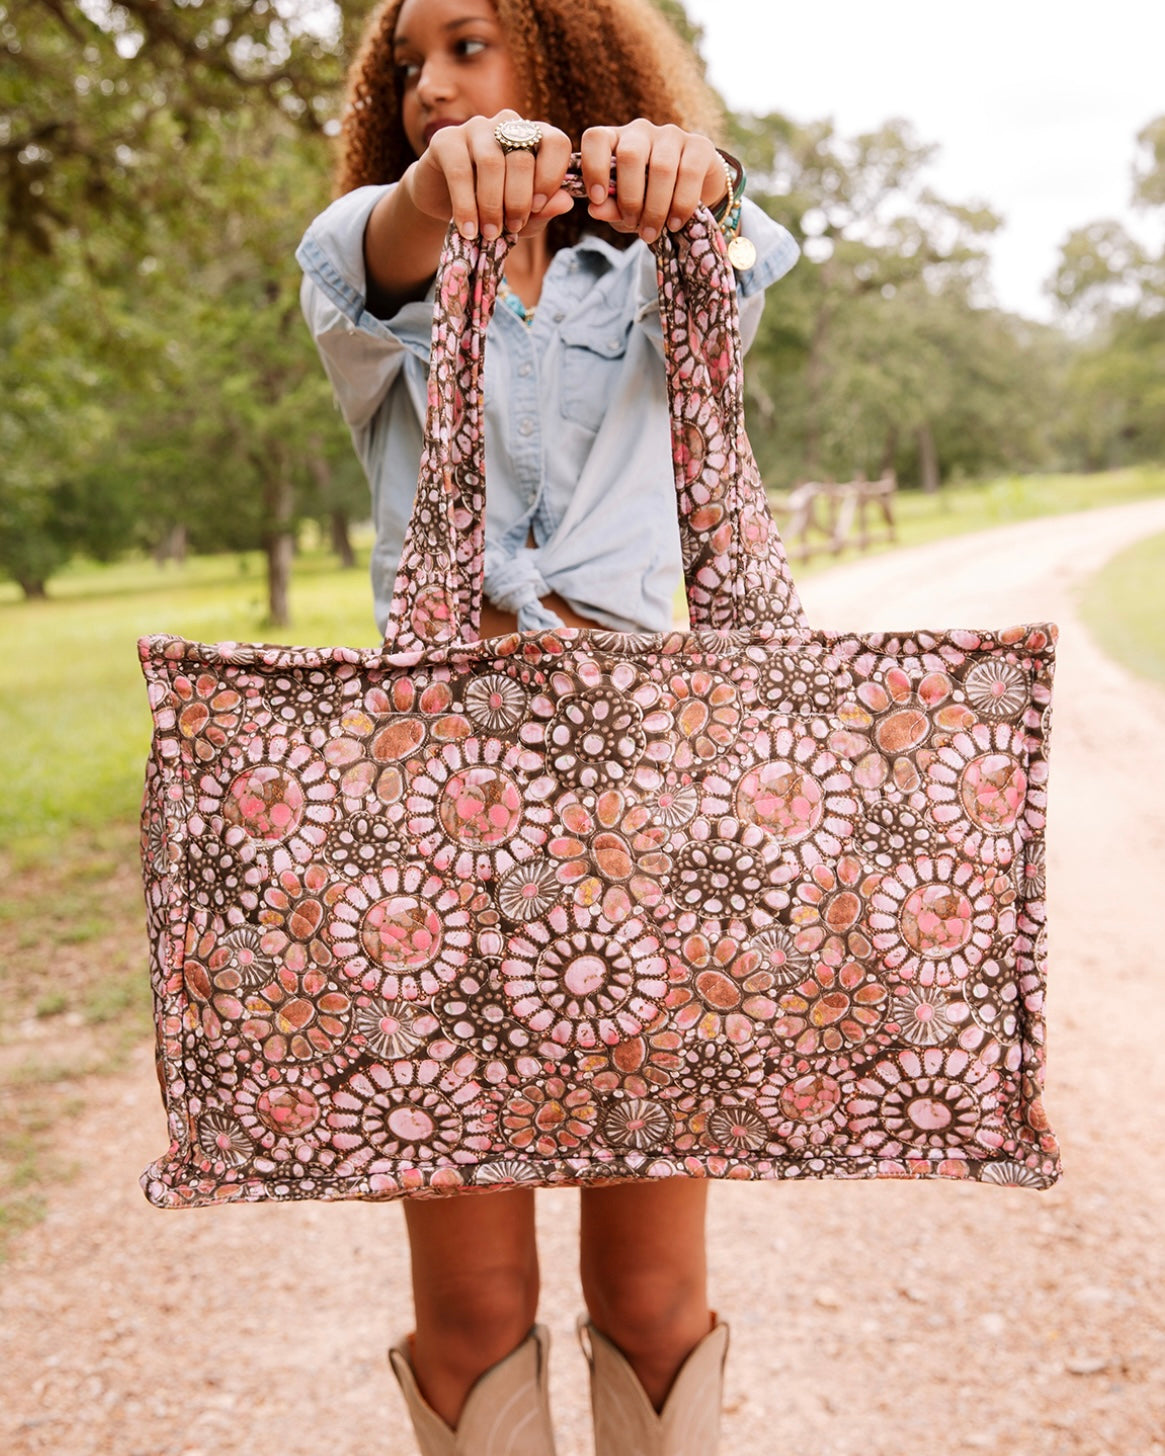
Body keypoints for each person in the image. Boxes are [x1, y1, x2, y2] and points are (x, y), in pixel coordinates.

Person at [296, 1, 799, 1451]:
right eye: (408, 69)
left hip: (643, 819)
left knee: (652, 1295)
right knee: (468, 1310)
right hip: (433, 838)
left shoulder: (679, 264)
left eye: (467, 47)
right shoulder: (364, 259)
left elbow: (744, 240)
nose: (429, 92)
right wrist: (440, 189)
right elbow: (384, 240)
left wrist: (687, 176)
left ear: (572, 59)